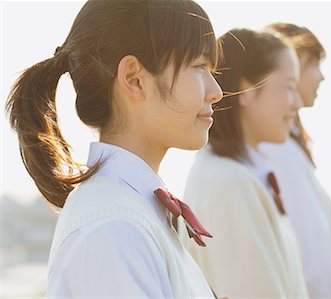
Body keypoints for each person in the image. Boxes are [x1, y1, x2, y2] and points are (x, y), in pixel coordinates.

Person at [5, 0, 224, 297]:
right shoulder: (114, 228)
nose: (216, 91)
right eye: (199, 66)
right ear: (134, 79)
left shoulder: (130, 214)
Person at [179, 28, 309, 298]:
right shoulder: (228, 182)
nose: (298, 103)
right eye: (288, 87)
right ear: (246, 89)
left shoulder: (237, 174)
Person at [259, 22, 331, 298]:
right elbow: (315, 265)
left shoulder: (287, 145)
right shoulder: (278, 150)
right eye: (313, 63)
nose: (321, 76)